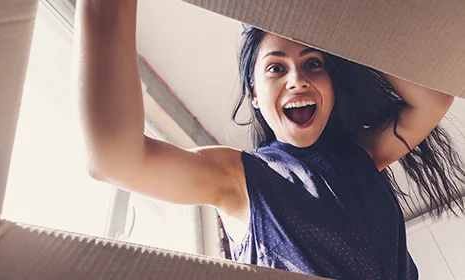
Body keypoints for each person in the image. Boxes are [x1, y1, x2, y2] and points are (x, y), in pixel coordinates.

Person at [74, 1, 465, 279]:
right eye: (276, 67)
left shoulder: (361, 155)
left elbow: (433, 100)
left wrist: (344, 23)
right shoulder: (238, 177)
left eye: (314, 64)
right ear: (255, 95)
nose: (298, 79)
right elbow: (114, 158)